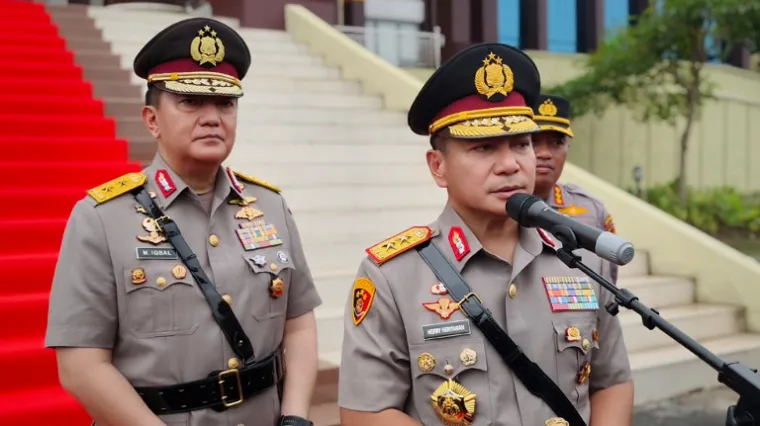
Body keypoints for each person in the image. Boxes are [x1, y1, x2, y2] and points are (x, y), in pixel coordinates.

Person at [337, 43, 634, 426]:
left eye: (521, 144)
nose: (510, 164)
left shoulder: (579, 259)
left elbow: (612, 381)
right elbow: (367, 411)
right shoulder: (393, 276)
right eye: (484, 148)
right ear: (438, 167)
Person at [45, 17, 321, 426]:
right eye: (190, 102)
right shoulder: (101, 218)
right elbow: (81, 364)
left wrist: (296, 415)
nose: (212, 118)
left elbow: (298, 324)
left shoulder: (270, 206)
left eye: (225, 103)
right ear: (152, 120)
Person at [532, 94, 619, 283]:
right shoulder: (496, 208)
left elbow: (607, 295)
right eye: (533, 141)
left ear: (567, 148)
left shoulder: (592, 210)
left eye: (557, 143)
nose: (545, 153)